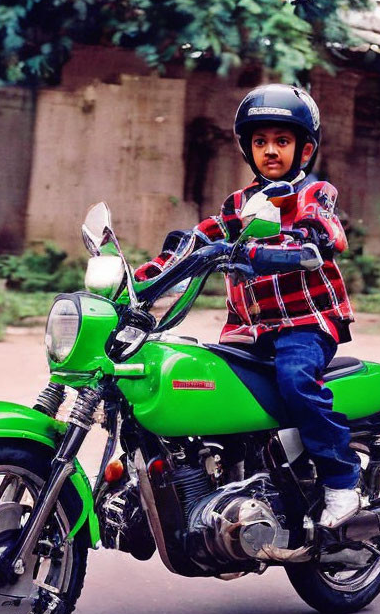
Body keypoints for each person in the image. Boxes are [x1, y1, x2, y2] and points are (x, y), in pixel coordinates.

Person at [136, 84, 361, 528]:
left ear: (305, 148)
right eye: (260, 142)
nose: (270, 151)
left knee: (296, 380)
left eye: (282, 141)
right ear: (247, 148)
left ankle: (341, 481)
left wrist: (298, 242)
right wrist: (148, 275)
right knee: (205, 385)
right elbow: (198, 238)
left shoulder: (313, 194)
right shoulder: (239, 205)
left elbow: (324, 230)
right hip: (248, 329)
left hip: (305, 323)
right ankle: (227, 484)